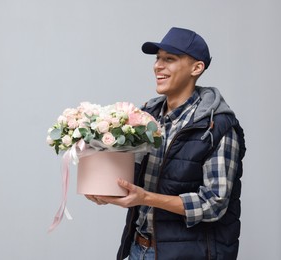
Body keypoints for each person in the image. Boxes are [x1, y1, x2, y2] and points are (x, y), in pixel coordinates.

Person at [86, 27, 246, 260]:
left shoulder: (216, 126)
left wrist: (145, 198)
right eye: (157, 58)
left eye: (169, 59)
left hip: (187, 254)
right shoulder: (145, 117)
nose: (157, 66)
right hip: (137, 248)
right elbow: (134, 179)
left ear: (196, 68)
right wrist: (107, 190)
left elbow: (214, 203)